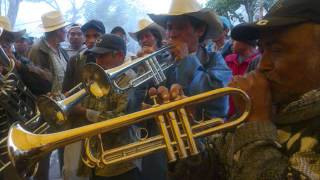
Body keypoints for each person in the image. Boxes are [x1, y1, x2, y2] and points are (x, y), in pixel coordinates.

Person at [159, 0, 320, 179]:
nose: (261, 66)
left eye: (277, 49)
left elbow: (212, 99)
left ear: (200, 30)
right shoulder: (270, 105)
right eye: (262, 49)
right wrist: (181, 132)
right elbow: (208, 171)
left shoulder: (218, 64)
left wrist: (256, 123)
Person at [69, 34, 141, 180]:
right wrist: (66, 103)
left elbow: (121, 122)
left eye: (102, 56)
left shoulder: (130, 80)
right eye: (96, 57)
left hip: (120, 164)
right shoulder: (98, 78)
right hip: (95, 160)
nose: (97, 62)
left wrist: (84, 111)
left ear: (120, 55)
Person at [148, 0, 232, 120]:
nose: (172, 34)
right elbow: (139, 105)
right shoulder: (162, 61)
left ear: (200, 30)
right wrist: (143, 72)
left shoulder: (215, 59)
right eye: (169, 27)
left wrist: (186, 60)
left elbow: (217, 104)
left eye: (180, 27)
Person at [62, 19, 105, 180]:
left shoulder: (109, 59)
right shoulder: (75, 60)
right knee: (71, 171)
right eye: (87, 36)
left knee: (98, 166)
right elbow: (66, 89)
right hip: (77, 121)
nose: (92, 39)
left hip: (101, 120)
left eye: (96, 35)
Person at [128, 18, 168, 180]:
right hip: (147, 126)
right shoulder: (137, 62)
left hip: (166, 119)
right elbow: (132, 102)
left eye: (147, 36)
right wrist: (142, 66)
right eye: (140, 38)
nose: (143, 40)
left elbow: (167, 85)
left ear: (156, 37)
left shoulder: (168, 56)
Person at [29, 10, 69, 94]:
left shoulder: (61, 49)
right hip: (49, 103)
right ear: (58, 31)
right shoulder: (37, 50)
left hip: (63, 101)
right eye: (64, 28)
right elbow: (36, 82)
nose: (66, 31)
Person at [225, 39, 260, 116]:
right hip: (227, 111)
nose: (231, 43)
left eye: (235, 41)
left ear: (245, 43)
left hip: (244, 112)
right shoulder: (228, 59)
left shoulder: (258, 63)